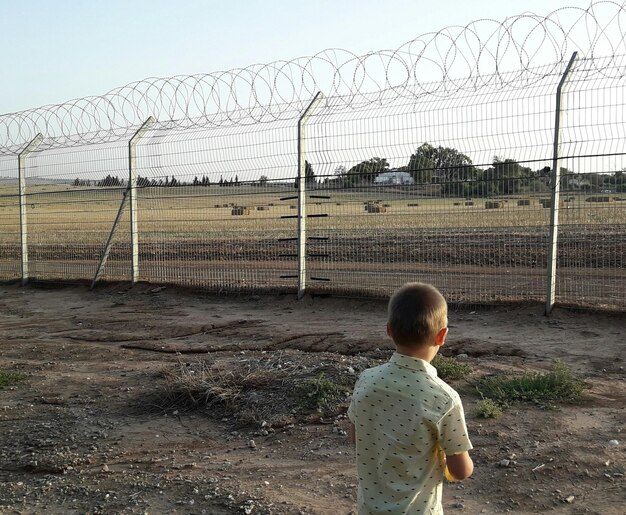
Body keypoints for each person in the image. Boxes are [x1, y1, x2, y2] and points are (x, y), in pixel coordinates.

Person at [348, 282, 473, 514]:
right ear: (442, 336)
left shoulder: (366, 381)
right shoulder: (444, 399)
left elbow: (357, 437)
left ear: (389, 330)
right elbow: (461, 471)